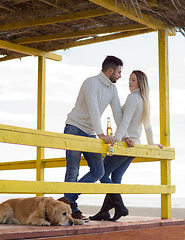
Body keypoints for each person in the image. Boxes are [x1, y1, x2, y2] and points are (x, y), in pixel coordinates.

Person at [89, 70, 163, 221]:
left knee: (102, 173)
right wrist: (150, 144)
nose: (129, 83)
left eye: (133, 80)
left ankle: (120, 207)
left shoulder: (133, 98)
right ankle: (104, 211)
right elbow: (148, 127)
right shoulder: (144, 100)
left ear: (140, 83)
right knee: (115, 176)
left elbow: (126, 121)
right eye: (129, 80)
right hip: (135, 146)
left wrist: (117, 138)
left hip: (125, 144)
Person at [59, 56, 123, 221]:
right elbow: (93, 109)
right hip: (74, 127)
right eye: (119, 72)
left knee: (98, 170)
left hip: (90, 131)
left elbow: (117, 113)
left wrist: (124, 135)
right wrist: (101, 133)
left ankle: (68, 200)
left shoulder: (112, 89)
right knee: (73, 170)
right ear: (110, 71)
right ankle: (71, 208)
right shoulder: (91, 83)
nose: (120, 76)